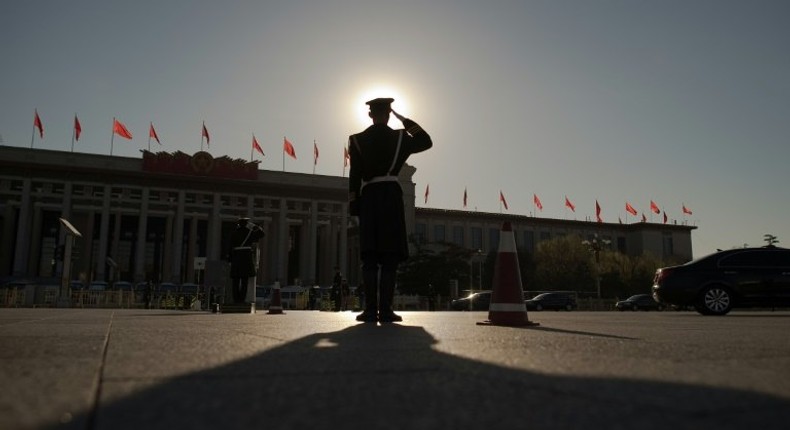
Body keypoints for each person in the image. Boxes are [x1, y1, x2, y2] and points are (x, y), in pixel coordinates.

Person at [349, 97, 433, 322]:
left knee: (369, 256)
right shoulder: (400, 137)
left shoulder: (356, 140)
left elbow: (354, 176)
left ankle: (369, 310)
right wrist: (405, 120)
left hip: (369, 198)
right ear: (389, 114)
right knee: (389, 256)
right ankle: (385, 310)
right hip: (391, 197)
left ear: (369, 115)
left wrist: (354, 207)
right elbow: (426, 141)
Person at [228, 217, 265, 304]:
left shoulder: (234, 233)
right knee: (245, 280)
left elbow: (229, 246)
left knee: (235, 281)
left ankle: (236, 299)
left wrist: (230, 259)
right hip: (246, 257)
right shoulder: (250, 233)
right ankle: (242, 299)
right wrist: (255, 226)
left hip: (236, 257)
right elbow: (262, 234)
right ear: (247, 224)